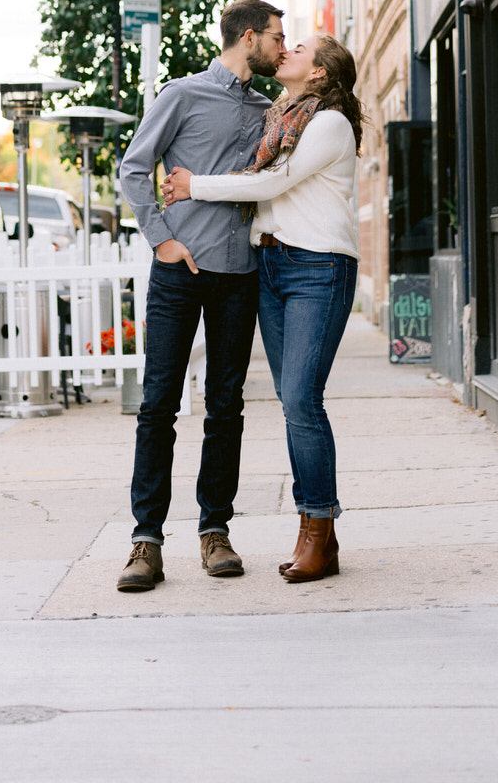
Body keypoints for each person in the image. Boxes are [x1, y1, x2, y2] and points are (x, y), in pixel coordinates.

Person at [163, 33, 361, 584]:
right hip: (272, 267)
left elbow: (272, 181)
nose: (287, 51)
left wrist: (193, 186)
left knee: (301, 400)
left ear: (319, 73)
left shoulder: (327, 123)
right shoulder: (282, 118)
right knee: (291, 400)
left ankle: (317, 529)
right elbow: (259, 180)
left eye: (298, 48)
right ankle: (321, 533)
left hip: (318, 267)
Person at [115, 0, 286, 592]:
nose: (281, 47)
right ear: (246, 38)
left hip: (240, 274)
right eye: (275, 37)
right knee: (158, 404)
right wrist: (161, 239)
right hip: (179, 271)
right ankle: (145, 541)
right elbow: (135, 167)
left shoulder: (271, 109)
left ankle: (215, 531)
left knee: (226, 406)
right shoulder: (182, 94)